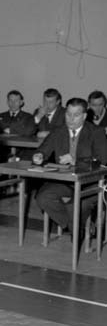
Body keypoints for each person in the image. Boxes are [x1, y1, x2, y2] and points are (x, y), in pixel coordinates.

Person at [33, 97, 107, 237]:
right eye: (68, 114)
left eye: (76, 115)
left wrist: (75, 161)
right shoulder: (58, 131)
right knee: (43, 197)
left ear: (84, 116)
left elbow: (102, 162)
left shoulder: (96, 132)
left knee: (75, 205)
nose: (71, 119)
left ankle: (76, 229)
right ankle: (78, 227)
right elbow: (43, 149)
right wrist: (39, 155)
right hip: (65, 181)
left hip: (90, 183)